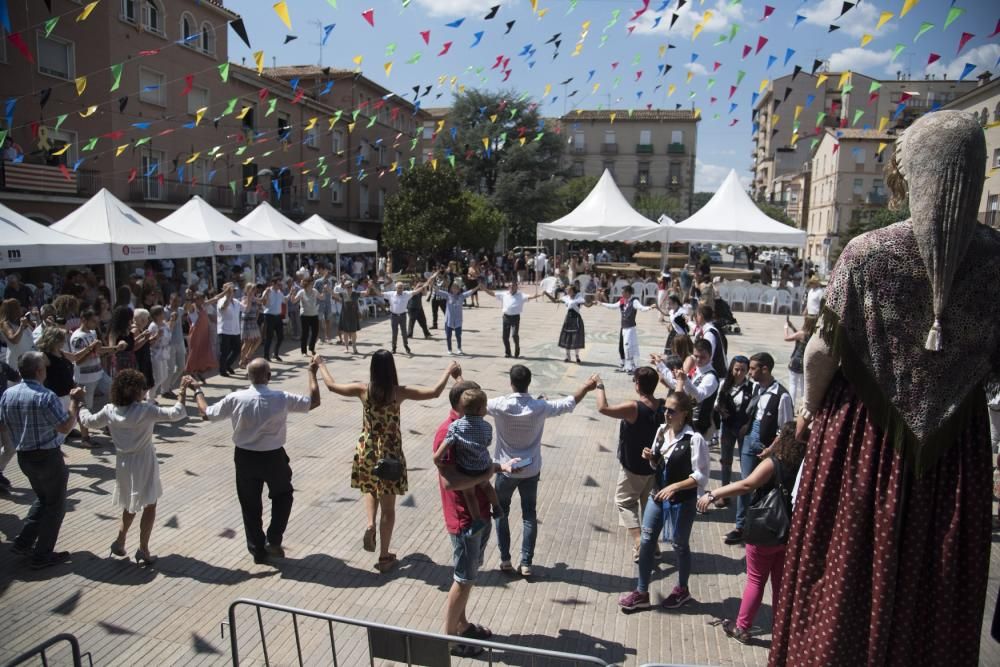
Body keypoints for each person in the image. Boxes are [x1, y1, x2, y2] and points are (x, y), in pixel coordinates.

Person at [770, 112, 1000, 666]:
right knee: (934, 587)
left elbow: (822, 352)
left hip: (862, 446)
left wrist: (810, 409)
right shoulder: (998, 261)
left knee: (844, 573)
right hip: (956, 454)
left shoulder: (868, 253)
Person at [317, 352, 461, 572]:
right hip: (390, 453)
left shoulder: (362, 390)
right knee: (389, 508)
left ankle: (370, 524)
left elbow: (331, 386)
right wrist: (448, 371)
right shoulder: (398, 393)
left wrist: (321, 364)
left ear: (373, 368)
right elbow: (434, 393)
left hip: (366, 450)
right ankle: (384, 557)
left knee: (370, 487)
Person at [196, 356, 321, 563]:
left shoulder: (236, 398)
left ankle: (257, 549)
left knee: (250, 503)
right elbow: (314, 401)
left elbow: (206, 414)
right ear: (269, 377)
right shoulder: (280, 397)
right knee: (283, 496)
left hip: (245, 457)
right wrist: (311, 373)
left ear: (248, 376)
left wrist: (197, 391)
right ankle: (273, 538)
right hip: (274, 456)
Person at [432, 380, 519, 658]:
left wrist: (492, 469)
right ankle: (449, 640)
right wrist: (488, 474)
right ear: (462, 404)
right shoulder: (448, 431)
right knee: (464, 578)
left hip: (479, 514)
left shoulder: (470, 426)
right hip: (464, 520)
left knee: (469, 576)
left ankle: (462, 623)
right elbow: (450, 483)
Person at [697, 422, 802, 644]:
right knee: (780, 585)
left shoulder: (775, 464)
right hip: (788, 532)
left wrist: (713, 494)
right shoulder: (805, 465)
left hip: (765, 530)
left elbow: (746, 485)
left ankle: (742, 627)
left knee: (755, 580)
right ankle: (780, 630)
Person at [488, 364, 598, 576]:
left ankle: (505, 559)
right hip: (530, 470)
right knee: (529, 515)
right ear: (529, 383)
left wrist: (457, 378)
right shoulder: (540, 407)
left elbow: (473, 400)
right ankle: (527, 562)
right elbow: (569, 402)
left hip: (505, 470)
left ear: (511, 383)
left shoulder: (499, 405)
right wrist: (586, 386)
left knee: (501, 513)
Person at [78, 370, 194, 565]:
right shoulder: (145, 410)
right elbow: (177, 413)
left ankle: (121, 540)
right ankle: (143, 549)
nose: (144, 391)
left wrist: (80, 403)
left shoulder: (109, 410)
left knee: (129, 503)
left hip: (123, 462)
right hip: (144, 460)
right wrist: (182, 390)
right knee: (150, 504)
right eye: (142, 388)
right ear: (135, 392)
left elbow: (87, 421)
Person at [618, 391, 709, 612]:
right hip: (657, 497)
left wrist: (675, 486)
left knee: (679, 545)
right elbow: (657, 465)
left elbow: (701, 476)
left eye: (671, 411)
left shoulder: (694, 439)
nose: (666, 414)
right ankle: (641, 592)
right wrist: (651, 458)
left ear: (684, 414)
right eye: (664, 409)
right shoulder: (661, 431)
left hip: (682, 503)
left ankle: (682, 590)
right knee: (647, 542)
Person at [2, 352, 83, 568]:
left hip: (24, 456)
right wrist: (75, 402)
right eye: (44, 368)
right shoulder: (45, 396)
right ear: (38, 372)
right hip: (47, 456)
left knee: (43, 498)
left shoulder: (8, 394)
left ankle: (24, 541)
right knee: (55, 506)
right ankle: (42, 554)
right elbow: (65, 426)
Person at [595, 367, 665, 561]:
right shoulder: (663, 405)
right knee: (648, 505)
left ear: (637, 385)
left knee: (624, 502)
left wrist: (600, 386)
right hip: (654, 466)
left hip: (633, 467)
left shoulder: (634, 407)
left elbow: (603, 408)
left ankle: (639, 541)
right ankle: (654, 545)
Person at [725, 352, 793, 546]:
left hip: (766, 446)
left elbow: (785, 429)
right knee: (745, 483)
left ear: (765, 369)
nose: (750, 372)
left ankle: (762, 525)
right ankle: (740, 526)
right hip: (749, 440)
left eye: (753, 368)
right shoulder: (756, 388)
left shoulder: (782, 396)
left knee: (762, 487)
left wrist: (771, 449)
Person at [433, 388, 503, 535]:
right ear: (480, 410)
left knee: (469, 495)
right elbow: (488, 442)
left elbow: (445, 447)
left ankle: (476, 520)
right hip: (484, 465)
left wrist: (437, 458)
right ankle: (496, 507)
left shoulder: (456, 426)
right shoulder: (487, 426)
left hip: (467, 469)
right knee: (487, 485)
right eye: (485, 407)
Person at [70, 309, 122, 447]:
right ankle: (85, 438)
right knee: (85, 407)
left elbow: (98, 351)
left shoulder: (92, 333)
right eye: (93, 321)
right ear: (84, 320)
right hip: (85, 378)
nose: (95, 324)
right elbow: (78, 361)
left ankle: (107, 425)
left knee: (115, 392)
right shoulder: (77, 338)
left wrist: (115, 348)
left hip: (99, 374)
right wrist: (91, 349)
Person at [658, 339, 720, 439]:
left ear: (710, 355)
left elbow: (699, 396)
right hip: (687, 419)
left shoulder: (711, 377)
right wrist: (661, 365)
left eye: (703, 357)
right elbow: (677, 384)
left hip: (698, 423)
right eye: (696, 356)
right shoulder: (696, 369)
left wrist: (685, 379)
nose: (699, 360)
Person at [713, 356, 755, 505]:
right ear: (731, 368)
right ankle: (724, 494)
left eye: (743, 370)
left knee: (746, 462)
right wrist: (723, 412)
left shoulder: (752, 387)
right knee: (726, 461)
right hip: (727, 427)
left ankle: (745, 496)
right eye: (737, 369)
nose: (739, 373)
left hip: (744, 429)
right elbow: (717, 403)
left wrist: (747, 424)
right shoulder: (725, 384)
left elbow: (755, 409)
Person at [599, 286, 658, 374]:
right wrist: (602, 303)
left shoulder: (634, 301)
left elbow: (642, 308)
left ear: (628, 293)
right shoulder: (622, 301)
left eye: (623, 292)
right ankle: (623, 365)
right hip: (623, 328)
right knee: (621, 347)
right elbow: (613, 306)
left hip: (630, 329)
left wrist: (649, 307)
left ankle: (631, 367)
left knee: (629, 348)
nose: (621, 294)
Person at [481, 281, 543, 359]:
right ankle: (508, 352)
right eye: (510, 286)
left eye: (513, 286)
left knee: (514, 335)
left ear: (516, 287)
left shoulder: (521, 295)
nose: (511, 287)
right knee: (505, 337)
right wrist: (485, 289)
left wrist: (539, 294)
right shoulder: (504, 294)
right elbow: (493, 294)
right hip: (506, 317)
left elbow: (531, 296)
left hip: (515, 317)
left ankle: (517, 347)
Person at [385, 275, 433, 356]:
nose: (400, 289)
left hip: (402, 316)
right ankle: (394, 347)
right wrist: (372, 287)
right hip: (394, 316)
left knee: (404, 332)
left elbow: (417, 291)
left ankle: (406, 346)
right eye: (398, 288)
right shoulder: (391, 294)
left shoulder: (406, 294)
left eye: (401, 288)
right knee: (394, 333)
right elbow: (379, 293)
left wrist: (426, 284)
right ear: (396, 288)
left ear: (403, 288)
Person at [547, 284, 593, 363]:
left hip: (576, 319)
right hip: (568, 319)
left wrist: (593, 301)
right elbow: (555, 301)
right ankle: (567, 356)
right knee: (567, 337)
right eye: (567, 289)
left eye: (569, 290)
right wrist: (546, 293)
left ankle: (577, 356)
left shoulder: (579, 298)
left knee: (576, 338)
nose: (567, 291)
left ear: (573, 291)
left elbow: (587, 305)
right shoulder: (566, 298)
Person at [434, 280, 479, 356]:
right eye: (453, 288)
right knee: (448, 335)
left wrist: (478, 287)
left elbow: (470, 292)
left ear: (459, 289)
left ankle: (459, 348)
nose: (455, 290)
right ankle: (449, 349)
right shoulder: (447, 295)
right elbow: (438, 291)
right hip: (449, 320)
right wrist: (432, 283)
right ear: (451, 289)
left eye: (456, 288)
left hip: (458, 320)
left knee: (458, 335)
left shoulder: (462, 296)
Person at [782, 316, 816, 407]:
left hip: (796, 361)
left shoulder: (802, 333)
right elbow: (798, 335)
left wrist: (786, 328)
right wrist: (792, 326)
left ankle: (791, 405)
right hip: (806, 361)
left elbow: (787, 338)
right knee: (803, 386)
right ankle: (803, 406)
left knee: (793, 384)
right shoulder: (814, 334)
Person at [183, 293, 217, 381]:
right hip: (195, 335)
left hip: (204, 334)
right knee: (194, 354)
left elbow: (215, 298)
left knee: (203, 354)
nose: (203, 301)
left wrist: (225, 292)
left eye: (203, 299)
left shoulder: (203, 306)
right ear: (196, 299)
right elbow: (187, 306)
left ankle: (198, 372)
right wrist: (188, 297)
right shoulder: (193, 308)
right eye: (201, 299)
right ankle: (189, 374)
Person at [693, 305, 727, 379]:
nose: (695, 318)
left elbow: (708, 356)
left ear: (701, 316)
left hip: (715, 374)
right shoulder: (707, 329)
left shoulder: (709, 333)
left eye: (697, 315)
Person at [215, 283, 242, 377]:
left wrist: (250, 297)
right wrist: (228, 296)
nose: (233, 292)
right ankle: (222, 370)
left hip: (235, 330)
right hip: (224, 330)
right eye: (231, 290)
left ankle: (227, 365)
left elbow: (246, 309)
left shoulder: (236, 301)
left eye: (234, 291)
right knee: (225, 351)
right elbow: (223, 307)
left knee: (237, 349)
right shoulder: (221, 300)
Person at [290, 276, 320, 357]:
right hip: (305, 315)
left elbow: (321, 297)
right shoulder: (301, 292)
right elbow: (293, 301)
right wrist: (292, 293)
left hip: (314, 314)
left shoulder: (315, 291)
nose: (313, 284)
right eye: (312, 282)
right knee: (305, 333)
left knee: (315, 332)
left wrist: (325, 291)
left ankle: (311, 348)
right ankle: (304, 351)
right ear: (308, 283)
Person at [0, 298, 34, 368]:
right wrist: (22, 326)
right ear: (12, 310)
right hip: (16, 360)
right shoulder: (5, 324)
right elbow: (14, 340)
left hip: (29, 357)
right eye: (18, 306)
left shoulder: (20, 321)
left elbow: (32, 334)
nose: (20, 308)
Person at [331, 278, 361, 355]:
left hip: (353, 315)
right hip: (345, 315)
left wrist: (370, 287)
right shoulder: (343, 294)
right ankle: (346, 347)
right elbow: (334, 294)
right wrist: (328, 289)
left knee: (353, 332)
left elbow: (366, 293)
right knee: (345, 332)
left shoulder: (355, 294)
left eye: (350, 286)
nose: (349, 288)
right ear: (345, 287)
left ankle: (354, 347)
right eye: (347, 287)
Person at [261, 276, 286, 363]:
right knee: (269, 337)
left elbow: (285, 300)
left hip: (278, 316)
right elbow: (263, 302)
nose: (280, 286)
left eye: (280, 284)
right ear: (273, 283)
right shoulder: (268, 291)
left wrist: (291, 293)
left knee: (281, 337)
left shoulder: (279, 292)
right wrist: (265, 294)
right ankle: (266, 355)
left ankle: (275, 353)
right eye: (278, 284)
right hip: (269, 316)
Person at [239, 283, 262, 368]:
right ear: (247, 290)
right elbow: (246, 308)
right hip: (247, 321)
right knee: (247, 342)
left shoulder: (254, 298)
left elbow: (262, 301)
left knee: (258, 339)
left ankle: (248, 356)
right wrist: (250, 297)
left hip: (253, 321)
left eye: (254, 289)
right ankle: (242, 361)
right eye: (252, 289)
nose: (254, 291)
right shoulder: (244, 298)